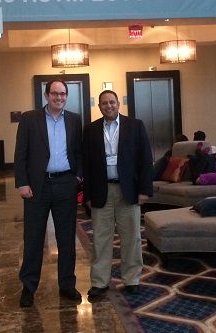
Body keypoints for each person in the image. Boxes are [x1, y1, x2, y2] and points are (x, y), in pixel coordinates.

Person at [14, 79, 83, 308]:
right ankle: (28, 287)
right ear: (46, 95)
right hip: (37, 186)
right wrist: (22, 183)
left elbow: (79, 151)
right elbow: (20, 153)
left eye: (63, 94)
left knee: (67, 238)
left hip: (65, 184)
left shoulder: (74, 119)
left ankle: (67, 285)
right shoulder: (29, 119)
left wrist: (78, 177)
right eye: (55, 93)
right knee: (33, 238)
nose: (59, 98)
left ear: (66, 96)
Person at [82, 90, 153, 300]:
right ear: (99, 107)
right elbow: (87, 164)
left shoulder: (135, 126)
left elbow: (145, 159)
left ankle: (132, 279)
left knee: (131, 237)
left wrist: (144, 190)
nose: (109, 106)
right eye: (104, 103)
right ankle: (99, 282)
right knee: (100, 239)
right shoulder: (91, 129)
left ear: (118, 103)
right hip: (101, 190)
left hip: (128, 190)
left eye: (112, 102)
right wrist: (87, 195)